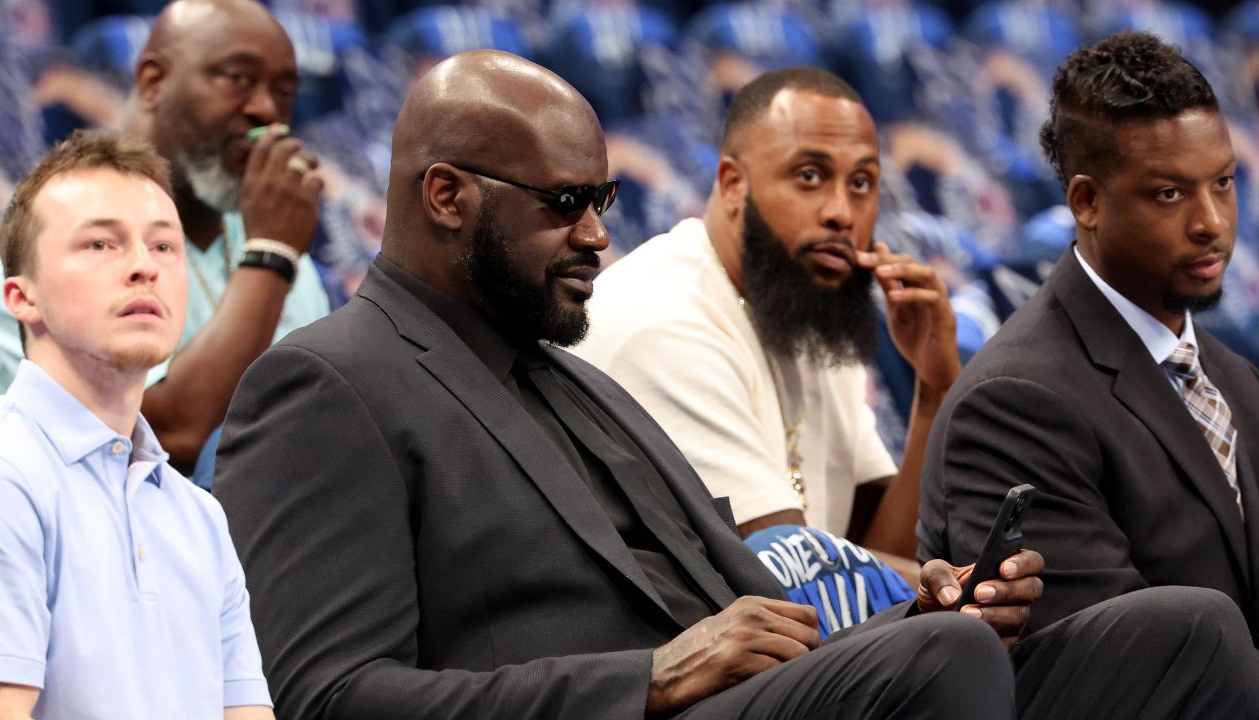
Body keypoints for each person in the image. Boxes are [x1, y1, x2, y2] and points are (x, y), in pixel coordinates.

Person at [213, 50, 1259, 720]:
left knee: (1180, 633)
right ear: (446, 196)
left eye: (604, 199)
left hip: (745, 683)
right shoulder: (326, 381)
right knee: (940, 672)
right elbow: (328, 696)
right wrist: (649, 676)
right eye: (565, 202)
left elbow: (758, 588)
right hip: (643, 708)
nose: (594, 232)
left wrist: (915, 604)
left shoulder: (569, 377)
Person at [918, 30, 1259, 644]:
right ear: (1086, 202)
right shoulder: (1017, 402)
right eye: (1170, 193)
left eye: (1224, 183)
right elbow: (1122, 667)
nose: (1212, 223)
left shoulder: (1236, 378)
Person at [572, 68, 959, 585]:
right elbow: (791, 576)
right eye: (809, 177)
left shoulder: (808, 313)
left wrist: (935, 391)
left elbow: (875, 549)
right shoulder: (664, 321)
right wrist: (961, 595)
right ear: (733, 184)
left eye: (862, 183)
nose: (842, 213)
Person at [0, 132, 273, 719]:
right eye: (100, 244)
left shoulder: (199, 516)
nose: (144, 267)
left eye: (165, 247)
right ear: (20, 296)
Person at [0, 0, 330, 473]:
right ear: (151, 81)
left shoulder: (287, 256)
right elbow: (157, 439)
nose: (267, 110)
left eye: (284, 93)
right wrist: (270, 257)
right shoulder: (47, 243)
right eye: (238, 78)